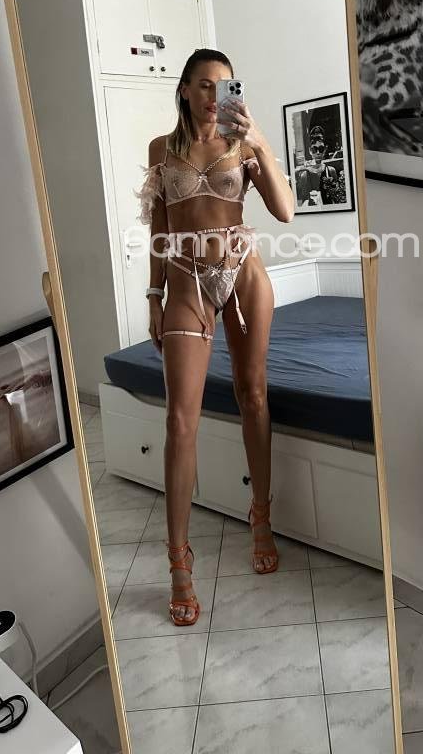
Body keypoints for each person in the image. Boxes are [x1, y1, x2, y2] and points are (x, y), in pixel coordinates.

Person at [135, 48, 295, 626]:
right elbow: (160, 228)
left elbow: (285, 211)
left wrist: (260, 144)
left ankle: (261, 516)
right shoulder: (161, 149)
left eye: (224, 86)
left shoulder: (243, 144)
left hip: (242, 273)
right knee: (180, 420)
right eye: (204, 85)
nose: (213, 95)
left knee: (253, 394)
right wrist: (153, 296)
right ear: (184, 89)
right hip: (185, 281)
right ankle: (179, 562)